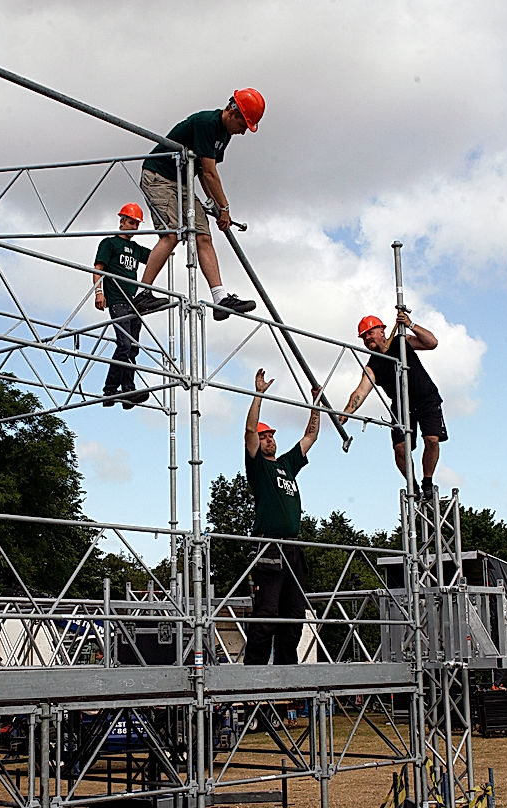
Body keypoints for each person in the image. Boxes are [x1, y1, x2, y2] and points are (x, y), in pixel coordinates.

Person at [134, 89, 266, 320]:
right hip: (159, 176)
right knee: (171, 234)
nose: (244, 131)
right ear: (233, 112)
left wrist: (216, 208)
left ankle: (220, 299)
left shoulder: (224, 134)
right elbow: (210, 172)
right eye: (244, 124)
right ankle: (143, 294)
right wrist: (223, 208)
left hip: (183, 182)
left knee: (204, 236)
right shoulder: (207, 123)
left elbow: (205, 175)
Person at [244, 368, 321, 665]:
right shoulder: (258, 468)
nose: (268, 440)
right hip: (269, 547)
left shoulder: (287, 464)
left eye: (270, 436)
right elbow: (249, 432)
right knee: (267, 615)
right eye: (263, 438)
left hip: (293, 547)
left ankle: (286, 676)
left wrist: (315, 403)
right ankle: (254, 677)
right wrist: (259, 395)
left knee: (294, 615)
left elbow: (310, 436)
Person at [340, 309, 447, 500]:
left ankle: (427, 482)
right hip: (401, 407)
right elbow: (360, 391)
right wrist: (347, 412)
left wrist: (410, 324)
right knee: (400, 449)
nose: (367, 339)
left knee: (432, 439)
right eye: (364, 337)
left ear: (382, 331)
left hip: (426, 398)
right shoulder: (373, 365)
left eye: (370, 333)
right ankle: (412, 484)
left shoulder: (401, 341)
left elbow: (432, 343)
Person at [93, 202, 151, 407]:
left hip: (133, 301)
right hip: (117, 300)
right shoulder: (110, 243)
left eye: (137, 224)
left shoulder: (136, 249)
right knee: (125, 344)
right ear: (122, 222)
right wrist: (99, 292)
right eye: (131, 222)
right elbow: (98, 268)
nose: (134, 227)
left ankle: (124, 391)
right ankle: (117, 389)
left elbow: (156, 256)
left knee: (132, 347)